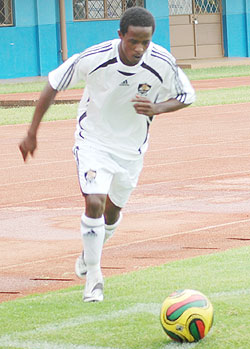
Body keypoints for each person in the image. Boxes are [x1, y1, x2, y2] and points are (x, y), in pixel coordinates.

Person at [19, 7, 195, 302]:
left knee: (112, 211)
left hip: (131, 149)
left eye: (145, 42)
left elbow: (186, 95)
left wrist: (158, 108)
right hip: (94, 141)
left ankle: (89, 253)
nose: (139, 48)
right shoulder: (95, 57)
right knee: (95, 201)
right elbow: (53, 85)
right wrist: (32, 132)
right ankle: (94, 276)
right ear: (120, 35)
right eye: (133, 41)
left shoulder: (162, 62)